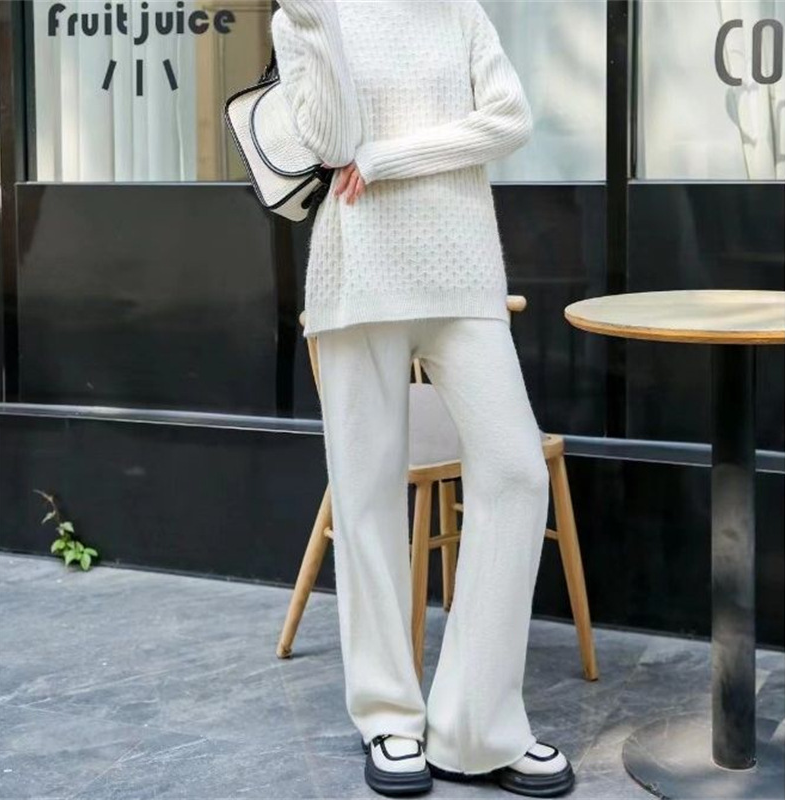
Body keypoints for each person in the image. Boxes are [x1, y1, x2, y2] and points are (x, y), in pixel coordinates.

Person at [271, 1, 575, 797]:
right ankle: (388, 719)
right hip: (357, 274)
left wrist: (387, 158)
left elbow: (508, 120)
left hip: (462, 270)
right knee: (366, 497)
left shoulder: (459, 10)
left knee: (516, 473)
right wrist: (314, 22)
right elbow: (330, 144)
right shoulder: (308, 17)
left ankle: (479, 724)